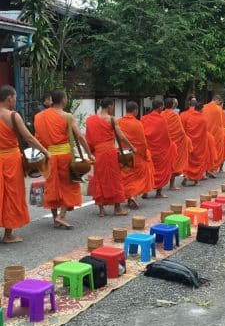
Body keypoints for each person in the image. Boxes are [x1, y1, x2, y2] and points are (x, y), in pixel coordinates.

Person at [35, 90, 93, 228]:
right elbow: (79, 136)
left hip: (48, 156)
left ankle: (55, 218)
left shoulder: (39, 117)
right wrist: (89, 153)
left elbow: (37, 137)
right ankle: (61, 216)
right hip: (64, 157)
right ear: (62, 100)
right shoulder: (67, 116)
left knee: (51, 187)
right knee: (70, 186)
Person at [0, 85, 50, 243]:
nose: (15, 100)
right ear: (9, 98)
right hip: (10, 160)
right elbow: (28, 138)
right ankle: (8, 235)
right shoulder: (13, 116)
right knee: (12, 195)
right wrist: (45, 151)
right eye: (14, 97)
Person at [85, 97, 136, 217]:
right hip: (110, 152)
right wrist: (132, 147)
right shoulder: (111, 119)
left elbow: (89, 138)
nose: (113, 109)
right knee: (115, 178)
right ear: (109, 106)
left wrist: (90, 152)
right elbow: (121, 136)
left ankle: (101, 210)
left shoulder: (90, 120)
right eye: (113, 106)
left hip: (98, 152)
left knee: (99, 178)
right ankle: (117, 208)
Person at [118, 101, 154, 209]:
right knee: (140, 176)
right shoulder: (137, 124)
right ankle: (133, 196)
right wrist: (144, 155)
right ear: (135, 111)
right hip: (136, 155)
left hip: (123, 155)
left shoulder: (119, 121)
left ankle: (128, 196)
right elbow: (142, 142)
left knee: (126, 176)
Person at [141, 99, 177, 198]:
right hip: (160, 150)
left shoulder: (144, 118)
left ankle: (145, 192)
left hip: (148, 149)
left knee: (148, 169)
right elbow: (166, 136)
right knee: (160, 169)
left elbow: (142, 134)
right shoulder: (162, 120)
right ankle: (158, 192)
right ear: (160, 107)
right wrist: (170, 145)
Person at [162, 97, 192, 190]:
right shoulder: (174, 115)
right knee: (174, 162)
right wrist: (185, 140)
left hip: (163, 142)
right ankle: (171, 185)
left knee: (163, 163)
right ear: (172, 105)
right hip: (174, 143)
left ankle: (160, 186)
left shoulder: (161, 114)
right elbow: (181, 131)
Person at [182, 102, 210, 185]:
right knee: (198, 160)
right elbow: (204, 133)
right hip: (200, 143)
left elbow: (187, 129)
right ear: (201, 109)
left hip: (191, 142)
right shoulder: (203, 119)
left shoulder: (189, 117)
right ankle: (196, 180)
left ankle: (186, 176)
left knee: (190, 160)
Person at [202, 95, 225, 172]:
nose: (219, 104)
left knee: (205, 152)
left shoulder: (203, 107)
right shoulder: (218, 109)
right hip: (215, 134)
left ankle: (205, 169)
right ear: (217, 100)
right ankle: (211, 168)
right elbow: (220, 124)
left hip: (205, 133)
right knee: (214, 152)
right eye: (219, 102)